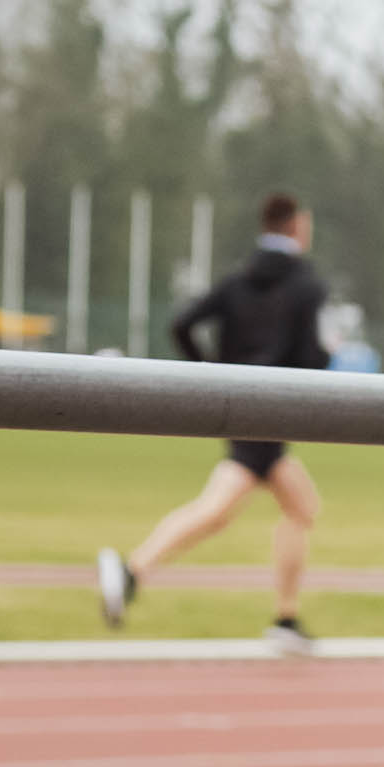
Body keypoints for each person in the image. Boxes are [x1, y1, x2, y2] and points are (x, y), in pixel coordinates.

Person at [96, 193, 330, 650]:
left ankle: (284, 618)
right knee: (219, 510)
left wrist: (211, 372)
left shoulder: (238, 280)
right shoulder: (306, 285)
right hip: (275, 407)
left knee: (297, 507)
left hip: (239, 404)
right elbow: (312, 357)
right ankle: (130, 571)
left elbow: (182, 323)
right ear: (296, 227)